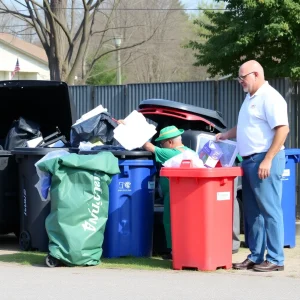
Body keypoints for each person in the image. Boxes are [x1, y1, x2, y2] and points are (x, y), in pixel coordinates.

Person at [216, 60, 289, 272]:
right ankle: (256, 255)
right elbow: (246, 125)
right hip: (248, 160)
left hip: (265, 160)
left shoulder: (270, 97)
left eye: (243, 77)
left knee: (269, 209)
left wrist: (268, 159)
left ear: (256, 74)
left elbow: (283, 130)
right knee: (252, 212)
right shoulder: (250, 98)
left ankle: (276, 258)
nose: (240, 81)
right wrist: (226, 135)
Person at [143, 125, 193, 259]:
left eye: (162, 143)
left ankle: (174, 252)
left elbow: (148, 146)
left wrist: (130, 130)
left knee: (170, 221)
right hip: (185, 194)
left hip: (173, 194)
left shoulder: (171, 153)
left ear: (170, 142)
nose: (161, 145)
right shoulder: (188, 151)